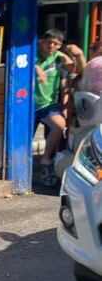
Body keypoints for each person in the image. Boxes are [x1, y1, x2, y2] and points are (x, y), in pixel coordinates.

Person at [34, 29, 84, 186]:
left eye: (56, 43)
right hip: (28, 106)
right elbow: (22, 60)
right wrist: (36, 68)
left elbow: (79, 71)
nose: (51, 45)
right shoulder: (33, 55)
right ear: (42, 42)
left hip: (47, 105)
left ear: (60, 45)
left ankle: (46, 158)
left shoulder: (60, 60)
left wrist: (78, 55)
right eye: (49, 42)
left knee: (59, 125)